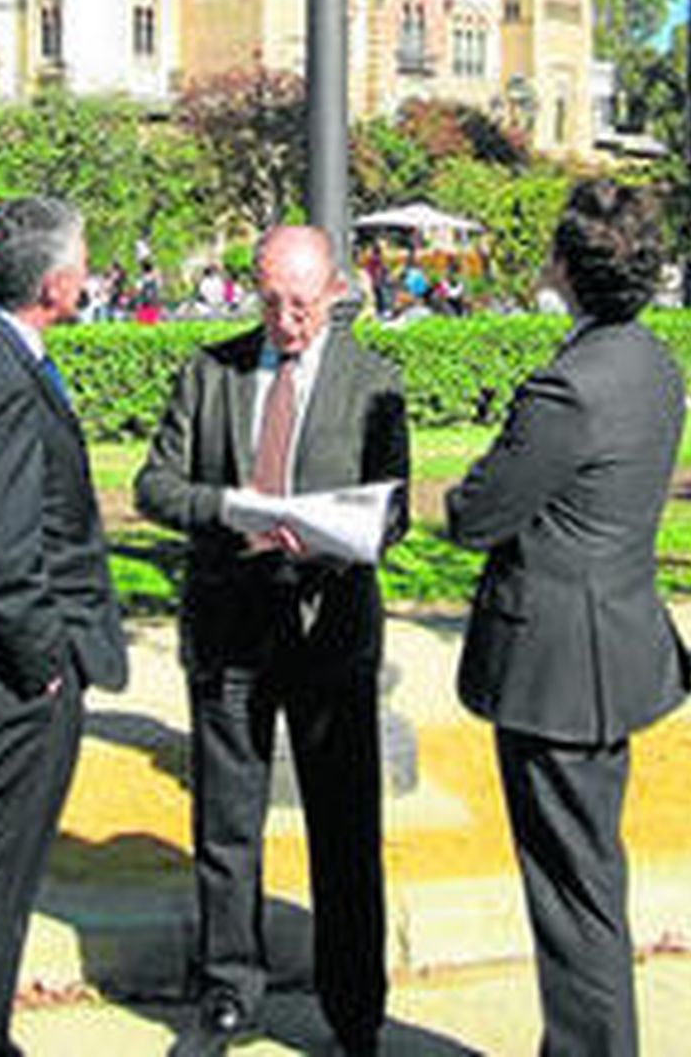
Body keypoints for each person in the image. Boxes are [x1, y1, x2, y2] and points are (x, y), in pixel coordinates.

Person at [135, 224, 409, 1057]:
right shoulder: (210, 371)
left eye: (302, 305)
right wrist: (228, 509)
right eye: (271, 303)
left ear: (335, 292)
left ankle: (354, 1009)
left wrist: (340, 533)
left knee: (345, 829)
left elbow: (394, 508)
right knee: (227, 824)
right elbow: (154, 484)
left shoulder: (373, 380)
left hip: (329, 630)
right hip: (231, 626)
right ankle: (228, 993)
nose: (287, 321)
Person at [446, 177, 691, 1057]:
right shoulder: (653, 362)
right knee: (588, 873)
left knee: (571, 888)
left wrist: (465, 490)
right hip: (614, 646)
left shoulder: (568, 387)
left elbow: (477, 512)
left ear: (565, 264)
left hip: (558, 668)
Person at [0, 194, 128, 1057]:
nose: (88, 273)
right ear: (54, 284)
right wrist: (45, 663)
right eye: (81, 261)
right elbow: (1, 552)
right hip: (8, 673)